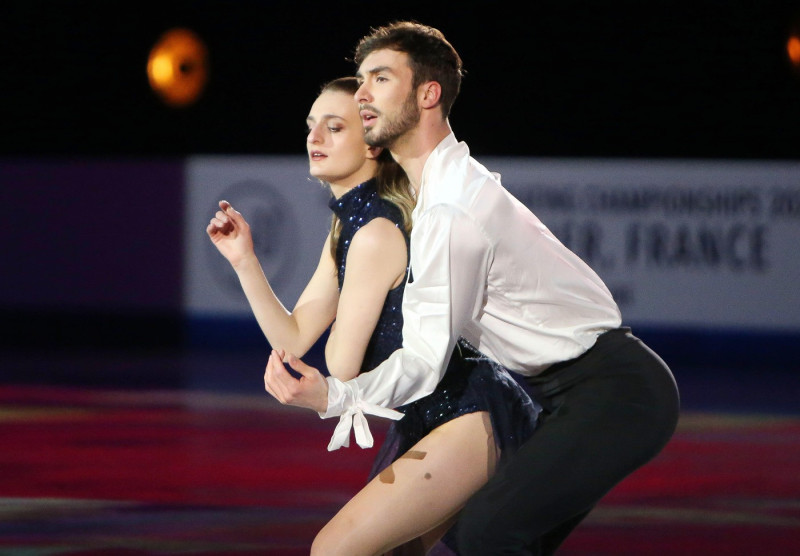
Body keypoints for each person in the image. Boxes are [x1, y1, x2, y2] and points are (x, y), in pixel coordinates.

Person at [263, 21, 681, 555]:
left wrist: (335, 396)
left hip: (616, 394)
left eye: (381, 78)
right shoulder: (441, 193)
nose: (362, 93)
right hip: (570, 394)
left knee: (489, 534)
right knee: (483, 537)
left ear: (428, 94)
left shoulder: (453, 208)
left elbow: (424, 358)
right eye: (362, 80)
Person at [210, 76, 540, 555]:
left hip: (469, 413)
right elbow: (296, 336)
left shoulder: (375, 233)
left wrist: (322, 379)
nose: (313, 138)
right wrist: (244, 260)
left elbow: (342, 368)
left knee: (335, 549)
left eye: (334, 127)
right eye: (310, 126)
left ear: (372, 146)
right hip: (431, 416)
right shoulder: (348, 225)